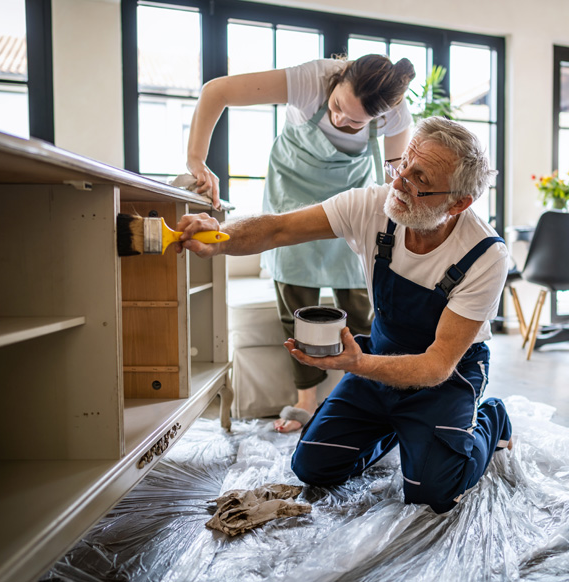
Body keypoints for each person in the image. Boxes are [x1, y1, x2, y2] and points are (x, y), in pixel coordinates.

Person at [177, 117, 512, 514]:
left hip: (447, 375)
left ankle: (493, 418)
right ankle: (398, 427)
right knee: (313, 467)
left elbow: (437, 365)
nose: (399, 181)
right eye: (402, 163)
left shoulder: (485, 255)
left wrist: (356, 363)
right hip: (381, 355)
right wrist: (219, 237)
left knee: (434, 493)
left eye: (418, 177)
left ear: (458, 203)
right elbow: (279, 230)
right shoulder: (374, 206)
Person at [186, 54, 416, 433]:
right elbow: (217, 91)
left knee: (361, 308)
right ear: (338, 80)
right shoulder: (311, 80)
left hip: (349, 201)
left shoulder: (396, 114)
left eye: (356, 121)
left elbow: (395, 180)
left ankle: (357, 398)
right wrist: (197, 159)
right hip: (291, 192)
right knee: (297, 303)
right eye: (338, 106)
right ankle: (305, 399)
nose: (341, 120)